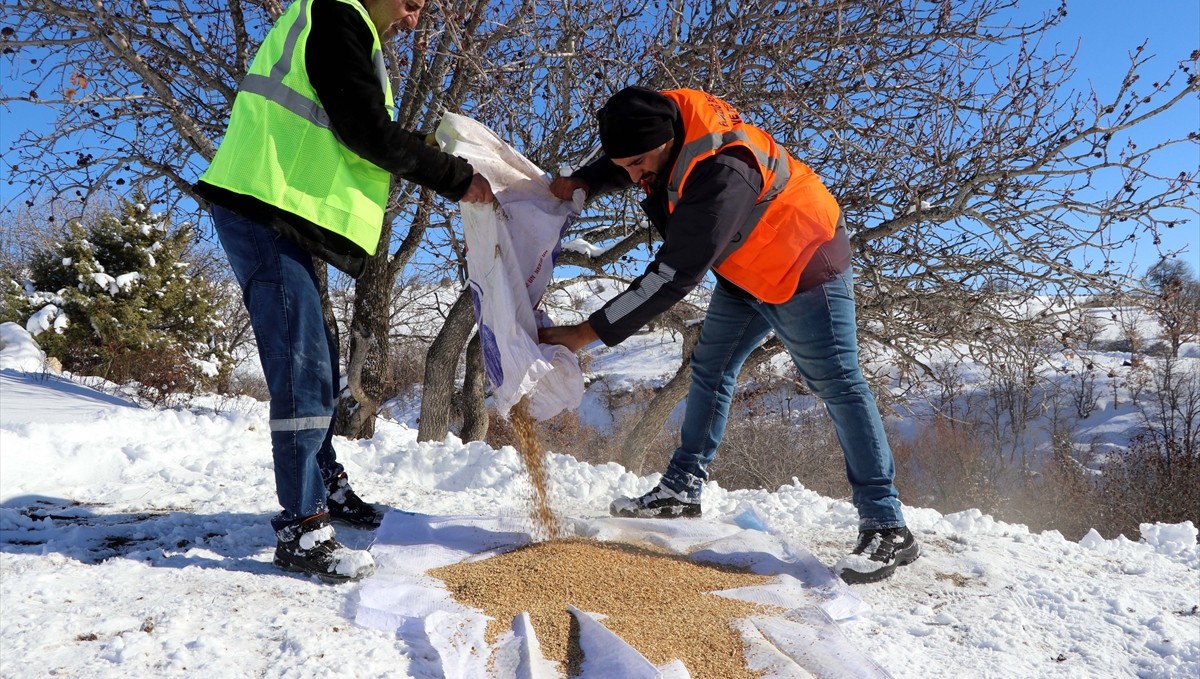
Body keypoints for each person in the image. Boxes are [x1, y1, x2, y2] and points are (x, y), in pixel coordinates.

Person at [537, 86, 918, 583]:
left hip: (803, 264)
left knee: (838, 384)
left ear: (666, 142)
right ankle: (680, 490)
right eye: (623, 164)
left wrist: (585, 333)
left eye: (638, 165)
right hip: (746, 267)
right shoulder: (660, 119)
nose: (632, 177)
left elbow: (671, 275)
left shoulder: (724, 172)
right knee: (710, 367)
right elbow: (627, 157)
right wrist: (584, 179)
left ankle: (887, 526)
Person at [194, 0, 492, 582]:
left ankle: (322, 485)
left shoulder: (344, 25)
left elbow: (352, 125)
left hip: (282, 212)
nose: (414, 19)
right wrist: (457, 178)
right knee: (303, 367)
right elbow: (364, 132)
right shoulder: (337, 16)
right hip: (263, 207)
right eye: (411, 4)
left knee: (320, 360)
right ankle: (303, 529)